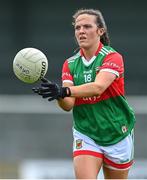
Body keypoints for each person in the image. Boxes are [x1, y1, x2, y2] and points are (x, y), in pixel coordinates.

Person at [32, 8, 136, 179]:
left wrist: (64, 90)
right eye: (77, 28)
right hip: (86, 133)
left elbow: (98, 87)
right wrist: (59, 95)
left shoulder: (112, 57)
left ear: (100, 31)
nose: (81, 31)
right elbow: (68, 105)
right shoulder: (70, 64)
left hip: (118, 132)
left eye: (87, 26)